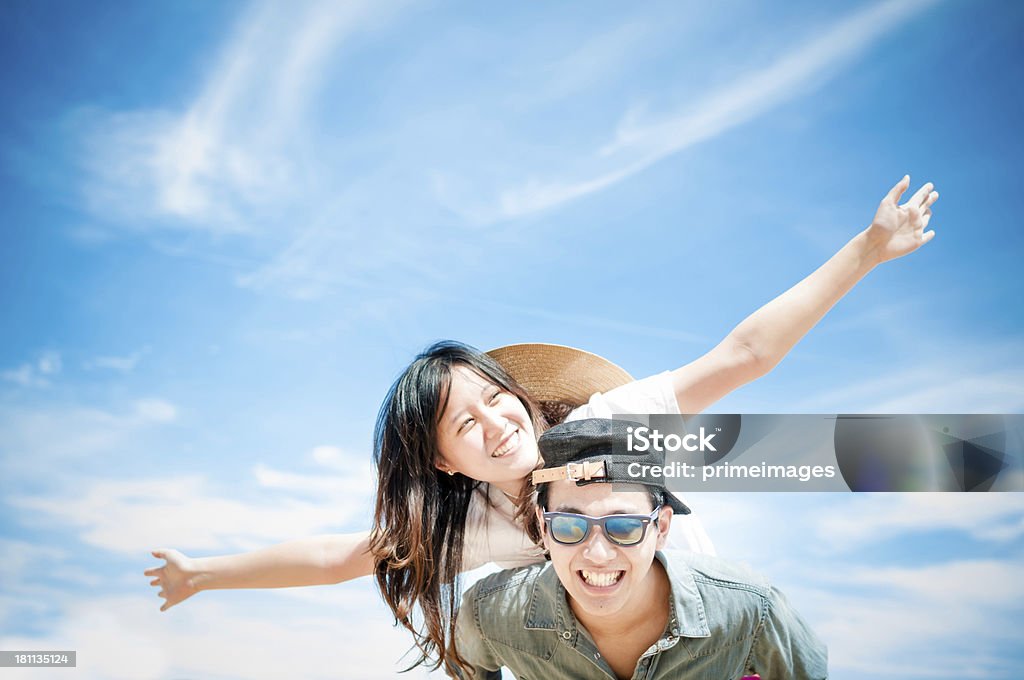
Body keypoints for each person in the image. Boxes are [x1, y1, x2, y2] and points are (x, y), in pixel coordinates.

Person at [145, 176, 934, 674]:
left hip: (709, 652)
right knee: (498, 607)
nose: (494, 423)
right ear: (445, 462)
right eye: (464, 424)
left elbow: (744, 354)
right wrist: (202, 573)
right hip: (597, 662)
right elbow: (333, 557)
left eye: (497, 398)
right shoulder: (471, 521)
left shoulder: (607, 424)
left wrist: (866, 250)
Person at [455, 418, 828, 679]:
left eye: (624, 527)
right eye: (570, 526)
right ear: (543, 526)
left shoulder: (750, 610)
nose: (597, 554)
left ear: (661, 527)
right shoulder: (490, 615)